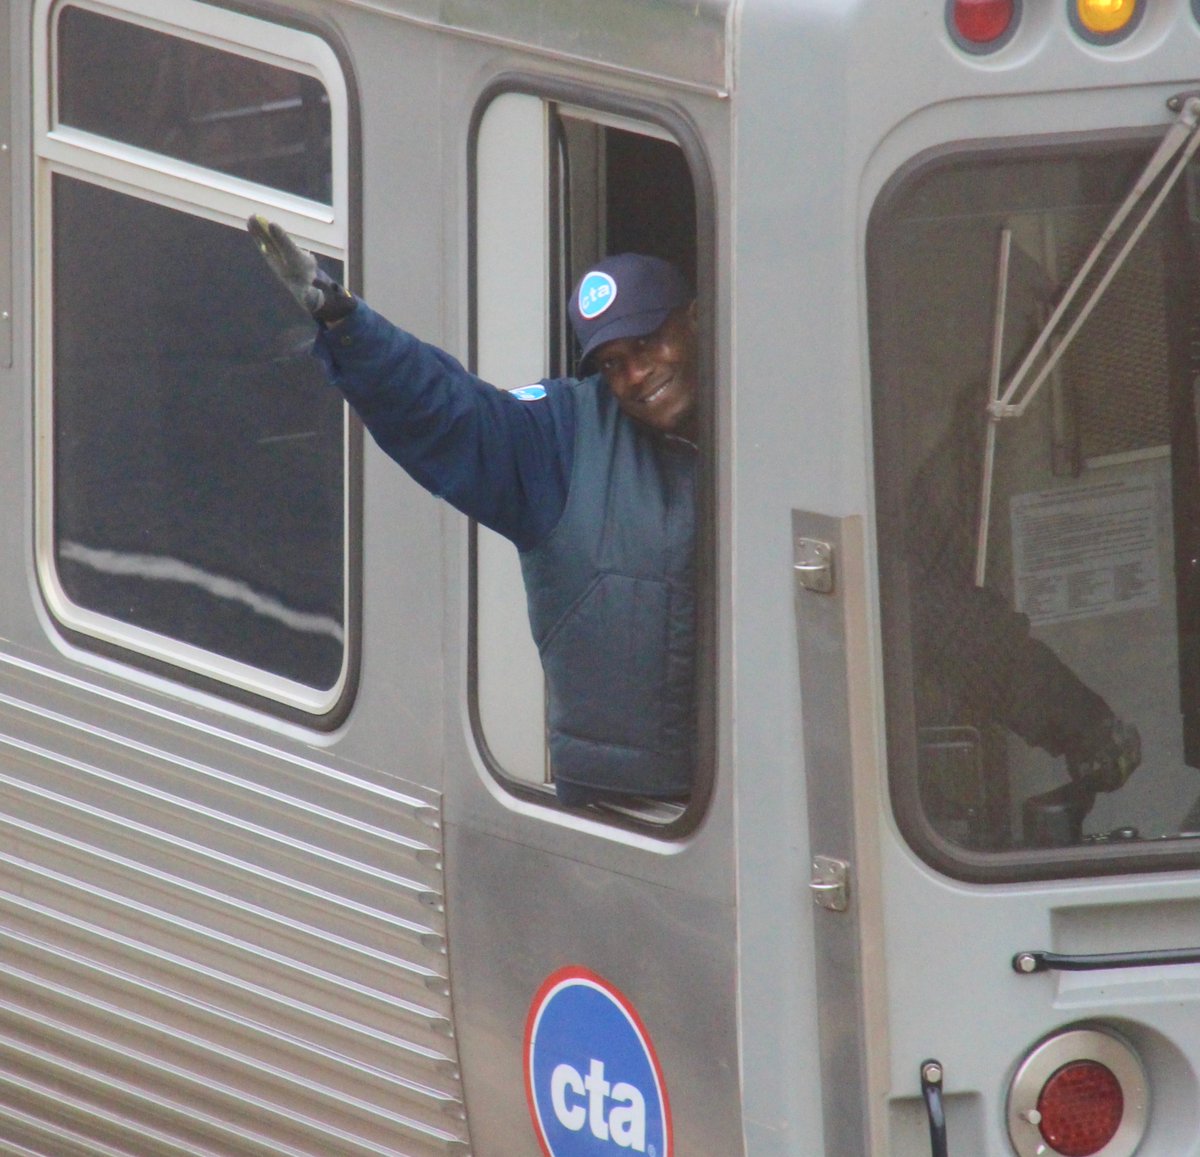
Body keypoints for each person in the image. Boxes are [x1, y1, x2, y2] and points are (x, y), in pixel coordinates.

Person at [248, 217, 699, 806]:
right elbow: (450, 413)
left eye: (647, 344)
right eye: (613, 363)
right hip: (635, 814)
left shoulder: (775, 417)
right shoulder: (564, 435)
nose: (636, 376)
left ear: (694, 322)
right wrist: (348, 324)